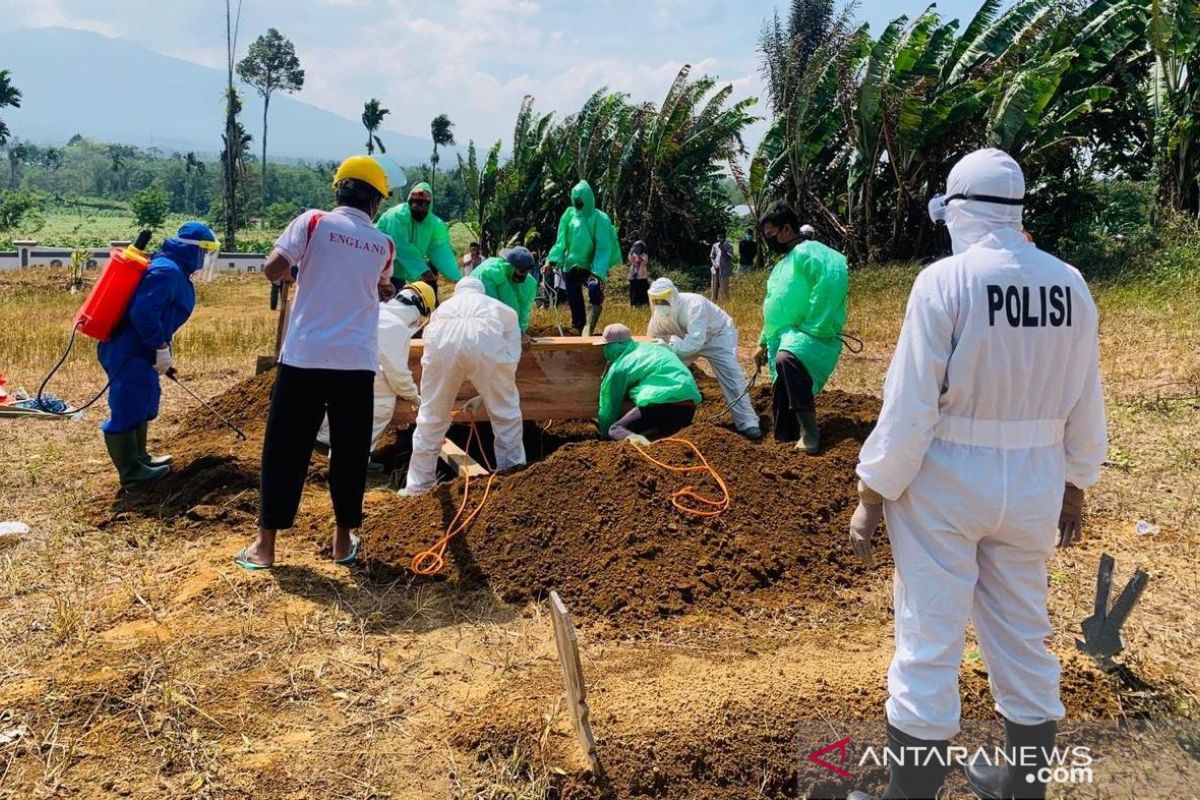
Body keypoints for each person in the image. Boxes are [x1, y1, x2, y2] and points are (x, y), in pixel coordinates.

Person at [845, 150, 1108, 800]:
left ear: (958, 211)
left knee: (929, 638)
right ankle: (1024, 786)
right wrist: (1075, 482)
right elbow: (1085, 394)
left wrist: (871, 493)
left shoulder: (944, 282)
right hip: (1035, 485)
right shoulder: (1069, 283)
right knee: (1023, 633)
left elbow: (910, 409)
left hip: (946, 486)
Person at [237, 155, 396, 570]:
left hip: (305, 357)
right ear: (375, 203)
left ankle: (265, 547)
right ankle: (343, 542)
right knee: (349, 451)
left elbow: (273, 270)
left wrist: (296, 271)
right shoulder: (383, 244)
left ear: (339, 191)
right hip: (357, 362)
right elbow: (383, 289)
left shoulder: (312, 222)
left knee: (285, 448)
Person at [98, 221, 219, 486]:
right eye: (205, 251)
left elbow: (163, 316)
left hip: (143, 349)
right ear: (193, 250)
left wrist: (163, 352)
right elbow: (143, 313)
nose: (205, 259)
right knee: (128, 404)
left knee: (144, 400)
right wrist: (159, 347)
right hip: (128, 348)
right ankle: (131, 472)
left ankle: (141, 457)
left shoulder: (176, 270)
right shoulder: (167, 271)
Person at [402, 277, 526, 496]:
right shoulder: (500, 308)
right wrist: (494, 388)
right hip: (487, 347)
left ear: (458, 293)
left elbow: (429, 346)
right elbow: (511, 352)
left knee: (431, 417)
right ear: (481, 292)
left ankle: (418, 487)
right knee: (506, 414)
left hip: (444, 350)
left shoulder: (441, 311)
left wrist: (433, 389)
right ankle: (513, 477)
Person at [755, 203, 848, 455]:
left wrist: (814, 325)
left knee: (788, 360)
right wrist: (763, 342)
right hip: (784, 336)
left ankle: (810, 433)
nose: (768, 239)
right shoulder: (780, 265)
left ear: (786, 229)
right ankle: (785, 442)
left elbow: (832, 281)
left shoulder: (813, 253)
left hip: (811, 334)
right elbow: (774, 305)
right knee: (781, 390)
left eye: (770, 233)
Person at [316, 280, 437, 454]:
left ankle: (324, 444)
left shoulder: (373, 310)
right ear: (420, 312)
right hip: (365, 380)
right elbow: (397, 374)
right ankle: (355, 456)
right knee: (381, 406)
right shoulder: (396, 327)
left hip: (336, 372)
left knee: (338, 411)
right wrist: (414, 396)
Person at [646, 277, 761, 439]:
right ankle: (664, 418)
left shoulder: (694, 304)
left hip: (717, 337)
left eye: (663, 299)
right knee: (665, 370)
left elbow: (695, 342)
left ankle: (748, 423)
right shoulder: (659, 315)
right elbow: (652, 337)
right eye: (655, 300)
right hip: (685, 340)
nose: (659, 304)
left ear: (672, 295)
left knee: (732, 376)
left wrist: (670, 349)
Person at [596, 323, 702, 444]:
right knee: (660, 433)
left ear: (613, 346)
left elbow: (609, 403)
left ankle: (645, 448)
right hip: (688, 407)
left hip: (659, 406)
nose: (605, 350)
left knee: (616, 429)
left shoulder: (620, 366)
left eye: (606, 346)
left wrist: (605, 434)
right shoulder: (655, 348)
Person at [545, 180, 614, 336]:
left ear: (588, 199)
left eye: (581, 200)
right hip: (570, 266)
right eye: (576, 200)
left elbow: (603, 248)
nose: (578, 203)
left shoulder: (600, 218)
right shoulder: (569, 215)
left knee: (594, 291)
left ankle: (589, 328)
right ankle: (578, 326)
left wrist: (596, 273)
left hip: (590, 267)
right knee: (574, 298)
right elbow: (561, 241)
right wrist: (551, 261)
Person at [377, 182, 461, 294]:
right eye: (415, 202)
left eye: (422, 203)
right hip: (377, 269)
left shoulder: (433, 224)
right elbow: (402, 246)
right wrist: (423, 271)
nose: (417, 206)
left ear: (429, 204)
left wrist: (459, 278)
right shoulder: (398, 215)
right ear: (410, 201)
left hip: (397, 274)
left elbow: (440, 250)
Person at [472, 246, 538, 343]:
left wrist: (520, 330)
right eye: (521, 272)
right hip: (478, 313)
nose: (523, 276)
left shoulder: (529, 284)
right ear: (512, 266)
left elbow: (524, 309)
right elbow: (492, 307)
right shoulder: (490, 272)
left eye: (527, 272)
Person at [709, 232, 734, 302]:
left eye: (721, 237)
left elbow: (731, 256)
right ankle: (713, 302)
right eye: (718, 237)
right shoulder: (715, 245)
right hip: (715, 270)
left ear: (724, 238)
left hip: (724, 270)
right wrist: (714, 264)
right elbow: (712, 256)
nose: (720, 239)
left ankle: (725, 303)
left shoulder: (729, 246)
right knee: (714, 288)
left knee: (724, 289)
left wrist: (723, 249)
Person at [628, 233, 650, 307]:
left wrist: (639, 256)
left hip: (642, 276)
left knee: (643, 290)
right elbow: (630, 260)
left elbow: (644, 262)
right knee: (633, 291)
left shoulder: (644, 255)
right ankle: (633, 303)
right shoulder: (632, 254)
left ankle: (644, 303)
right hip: (633, 276)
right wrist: (632, 252)